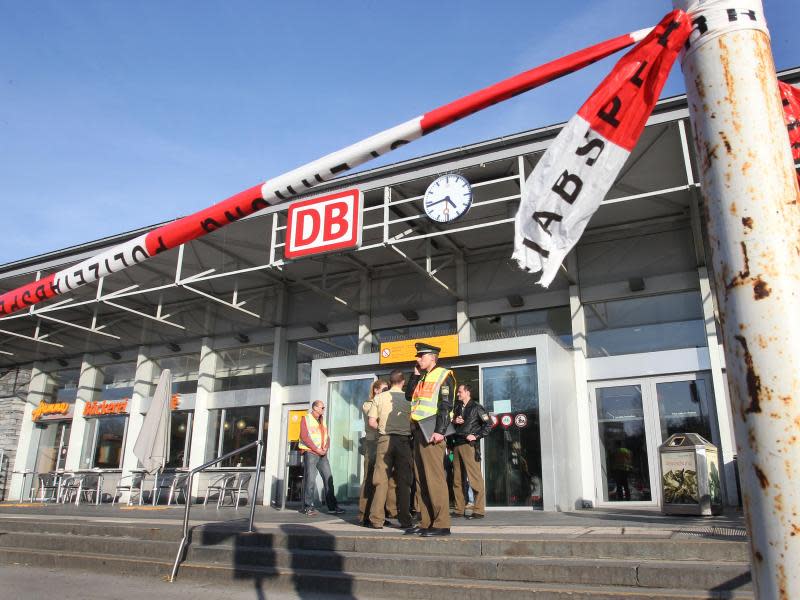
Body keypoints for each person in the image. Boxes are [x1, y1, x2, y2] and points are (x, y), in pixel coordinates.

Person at [405, 342, 456, 537]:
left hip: (432, 432)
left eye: (421, 356)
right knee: (421, 479)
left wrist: (440, 430)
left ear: (432, 357)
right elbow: (410, 396)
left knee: (434, 479)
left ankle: (442, 523)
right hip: (419, 431)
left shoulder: (444, 375)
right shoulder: (423, 376)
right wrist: (415, 375)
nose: (417, 359)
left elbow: (446, 405)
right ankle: (426, 521)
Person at [366, 369, 413, 529]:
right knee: (404, 481)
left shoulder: (379, 397)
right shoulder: (409, 399)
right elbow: (414, 423)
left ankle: (376, 519)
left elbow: (372, 422)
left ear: (390, 381)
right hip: (404, 441)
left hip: (384, 440)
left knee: (380, 480)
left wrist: (382, 428)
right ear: (402, 382)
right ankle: (405, 519)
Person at [451, 383, 492, 519]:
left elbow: (488, 425)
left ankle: (479, 510)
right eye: (458, 392)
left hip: (469, 445)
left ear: (467, 392)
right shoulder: (457, 407)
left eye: (460, 392)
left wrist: (476, 435)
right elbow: (452, 424)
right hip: (457, 444)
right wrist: (454, 420)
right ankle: (459, 509)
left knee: (474, 478)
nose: (458, 394)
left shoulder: (477, 407)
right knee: (457, 479)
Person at [298, 400, 345, 516]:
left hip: (322, 454)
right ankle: (308, 507)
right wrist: (316, 449)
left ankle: (332, 507)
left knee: (329, 479)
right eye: (322, 407)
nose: (324, 409)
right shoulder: (306, 419)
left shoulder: (322, 420)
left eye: (324, 407)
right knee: (311, 480)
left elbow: (327, 437)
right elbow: (304, 437)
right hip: (311, 453)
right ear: (315, 408)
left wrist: (326, 448)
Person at [358, 379, 388, 525]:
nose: (386, 392)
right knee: (369, 478)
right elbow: (374, 419)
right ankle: (364, 514)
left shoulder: (383, 403)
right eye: (383, 389)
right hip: (371, 444)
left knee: (381, 480)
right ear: (376, 390)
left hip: (382, 443)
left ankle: (378, 514)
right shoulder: (368, 404)